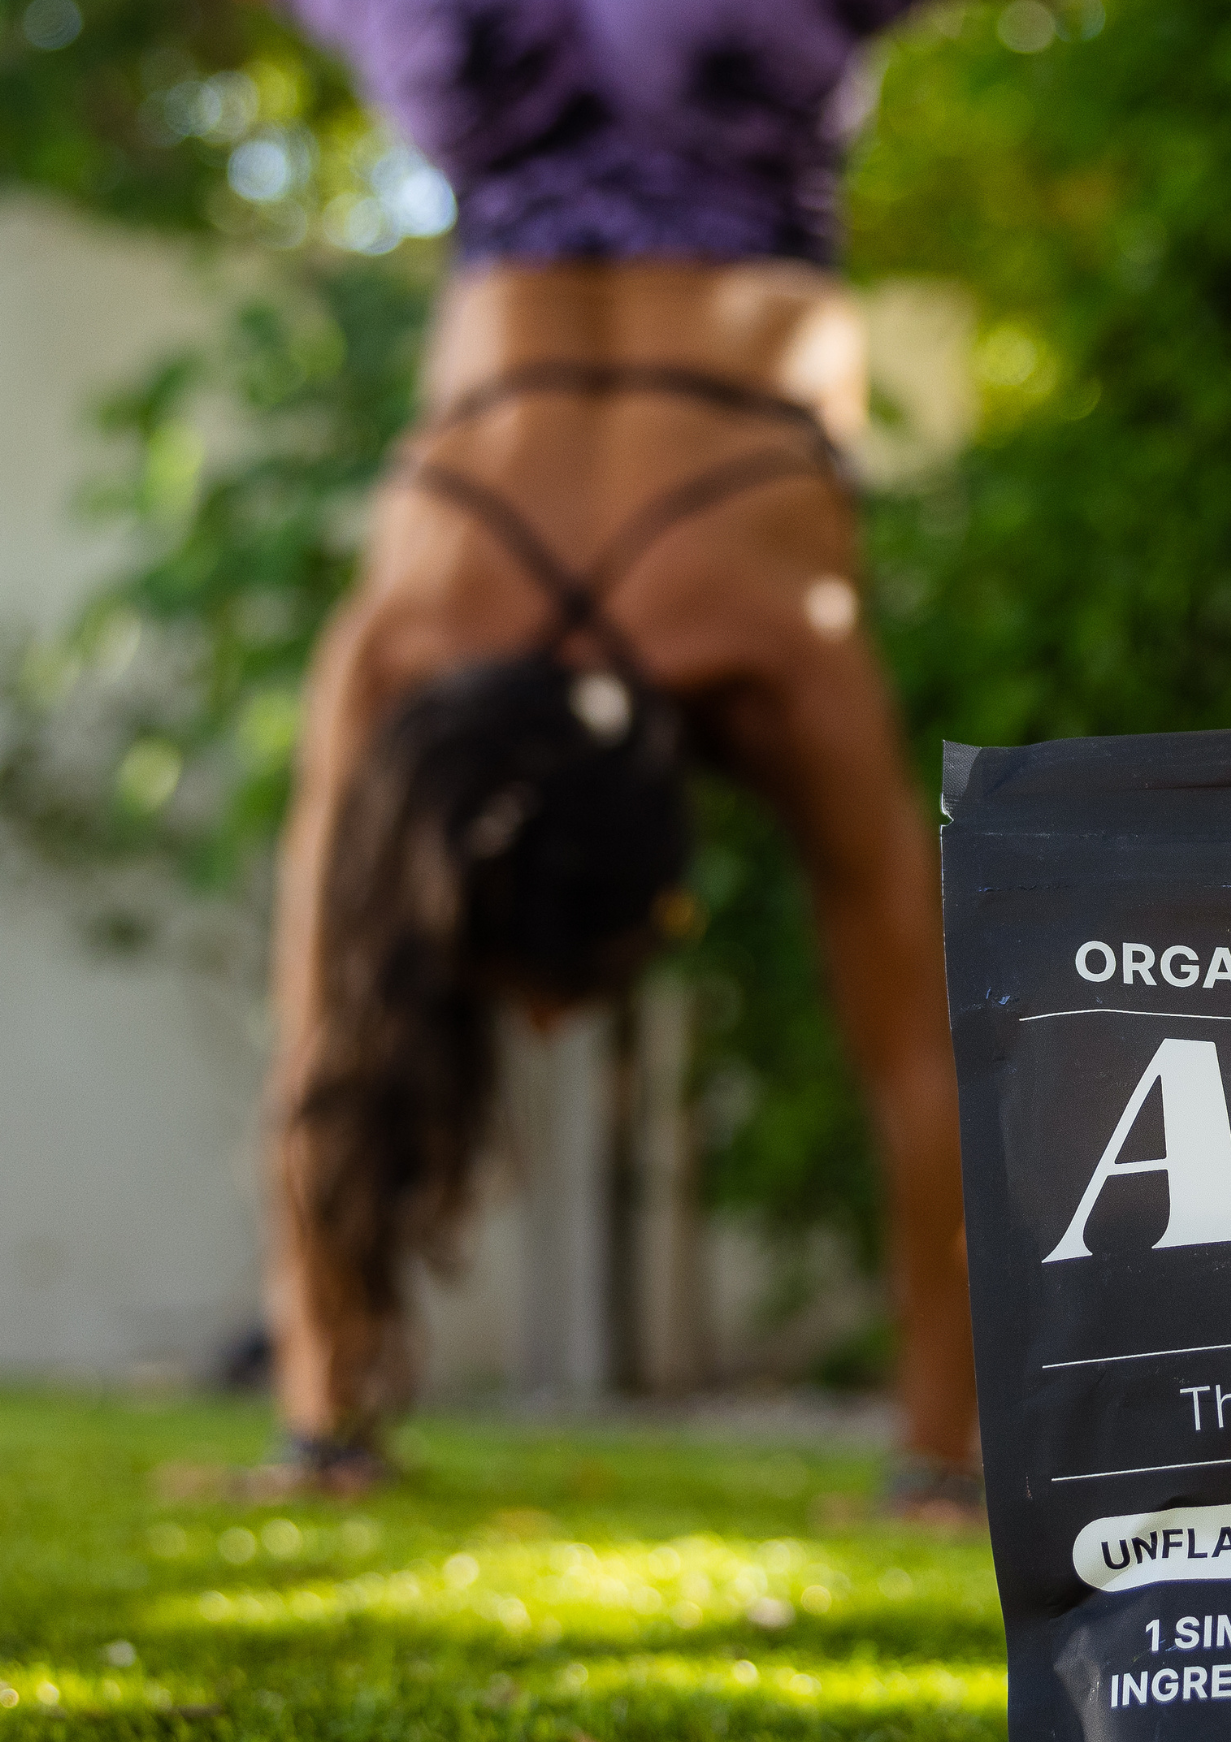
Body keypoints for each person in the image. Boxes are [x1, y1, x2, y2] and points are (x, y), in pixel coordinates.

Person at [265, 0, 978, 1508]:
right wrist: (315, 1423)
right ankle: (328, 1429)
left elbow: (938, 1058)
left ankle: (336, 1435)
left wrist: (948, 1456)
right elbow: (325, 1024)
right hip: (495, 110)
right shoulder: (411, 631)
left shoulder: (781, 645)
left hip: (738, 102)